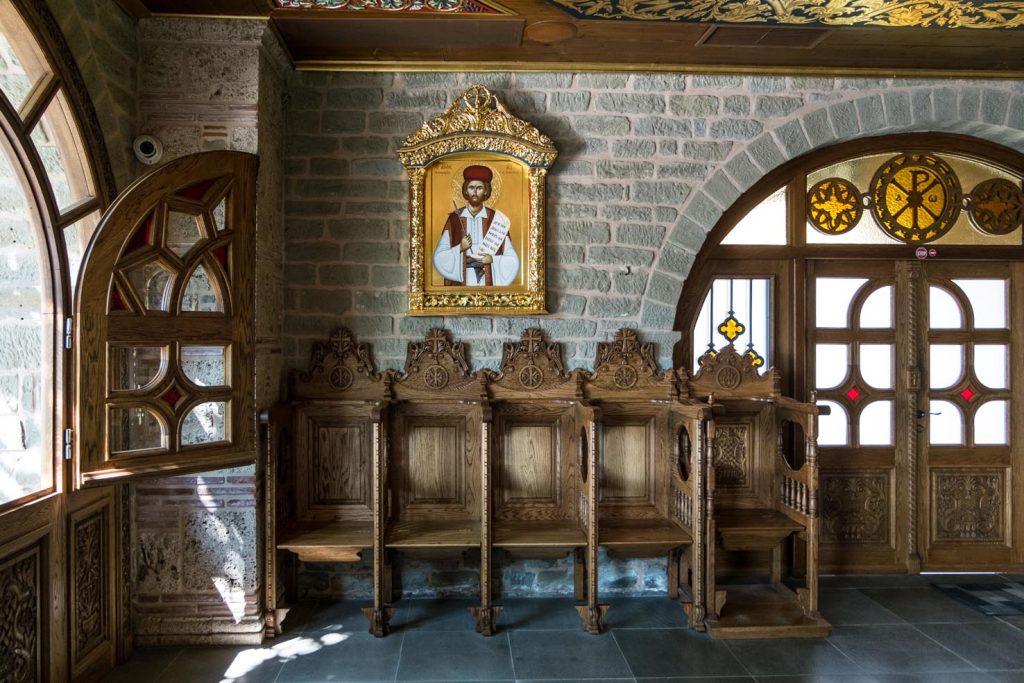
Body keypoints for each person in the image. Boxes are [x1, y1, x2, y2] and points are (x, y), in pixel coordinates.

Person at [432, 164, 519, 286]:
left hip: (487, 276)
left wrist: (492, 259)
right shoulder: (454, 219)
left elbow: (512, 259)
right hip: (462, 279)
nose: (475, 192)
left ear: (486, 191)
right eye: (471, 187)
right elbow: (439, 257)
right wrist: (460, 248)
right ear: (466, 190)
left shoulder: (496, 219)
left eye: (479, 188)